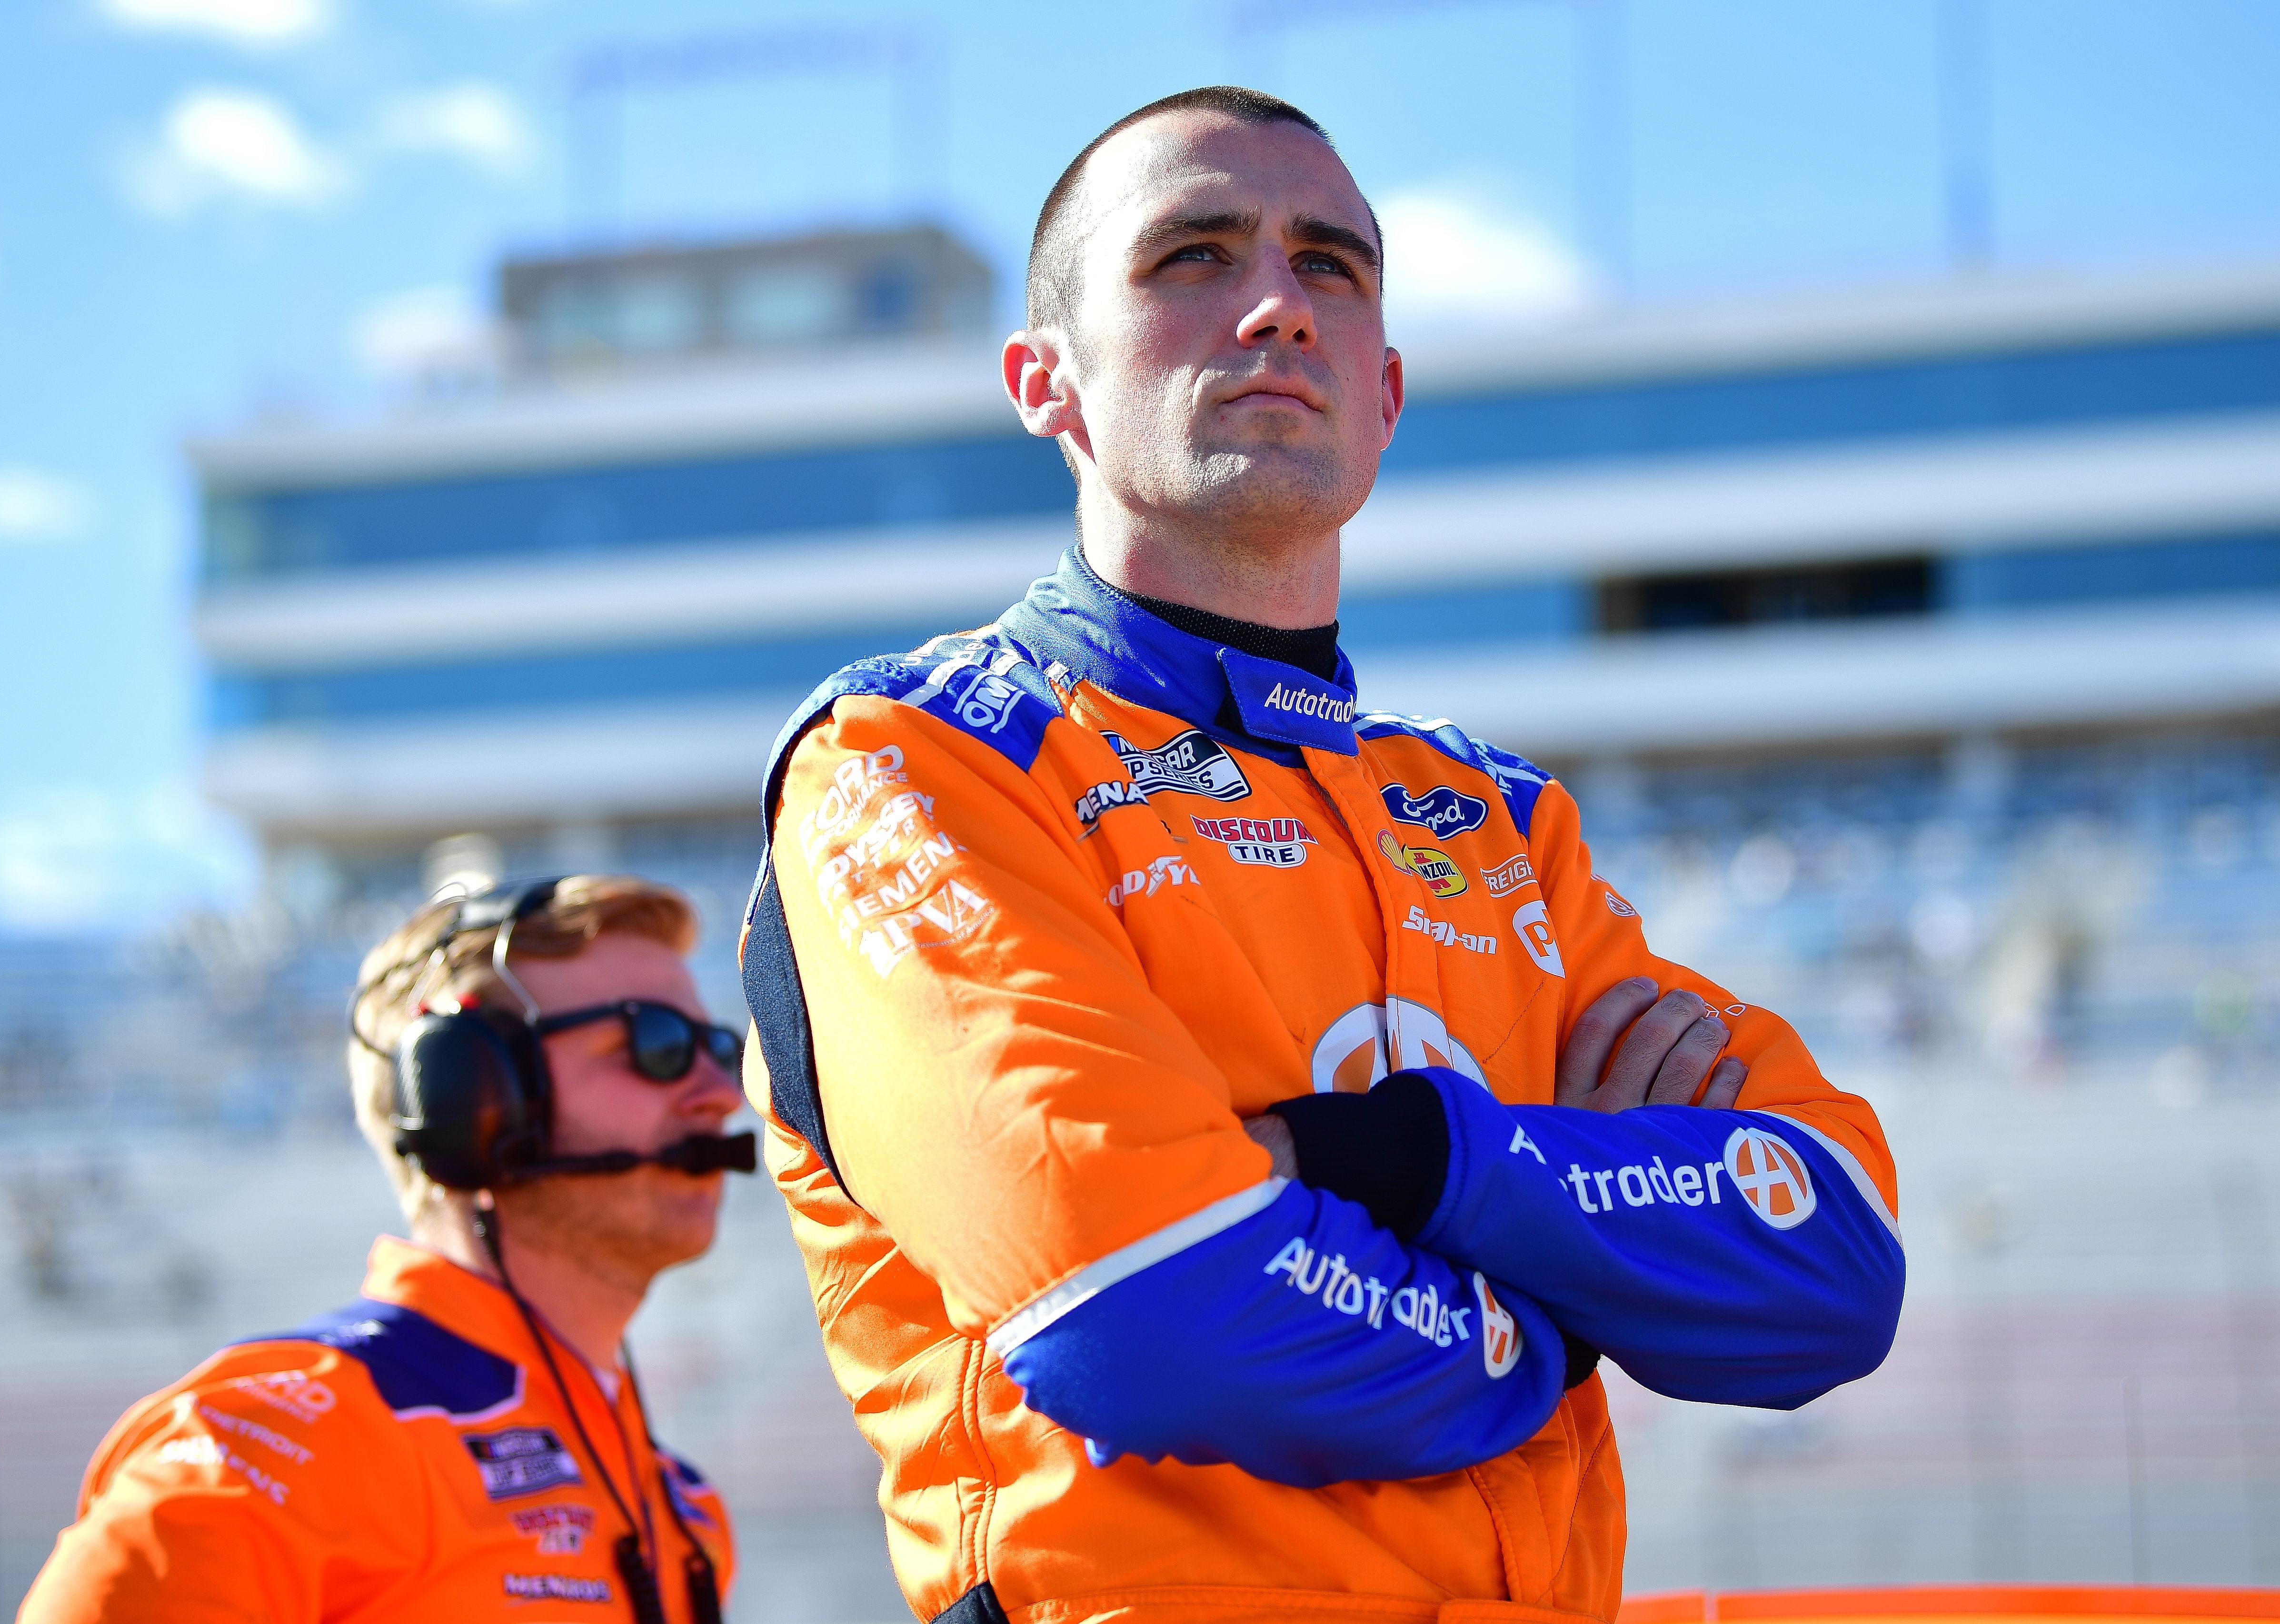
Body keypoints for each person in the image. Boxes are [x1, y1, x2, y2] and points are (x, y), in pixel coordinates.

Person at [737, 86, 1907, 1624]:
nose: (1276, 304)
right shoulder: (919, 763)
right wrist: (1558, 1310)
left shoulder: (1491, 815)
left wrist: (1414, 1161)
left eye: (1328, 268)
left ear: (1385, 392)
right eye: (1191, 259)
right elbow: (1145, 1305)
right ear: (1045, 381)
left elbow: (1827, 1262)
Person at [21, 874, 752, 1623]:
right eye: (654, 1044)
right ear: (472, 1103)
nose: (720, 1095)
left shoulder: (680, 1506)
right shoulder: (284, 1443)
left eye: (717, 1048)